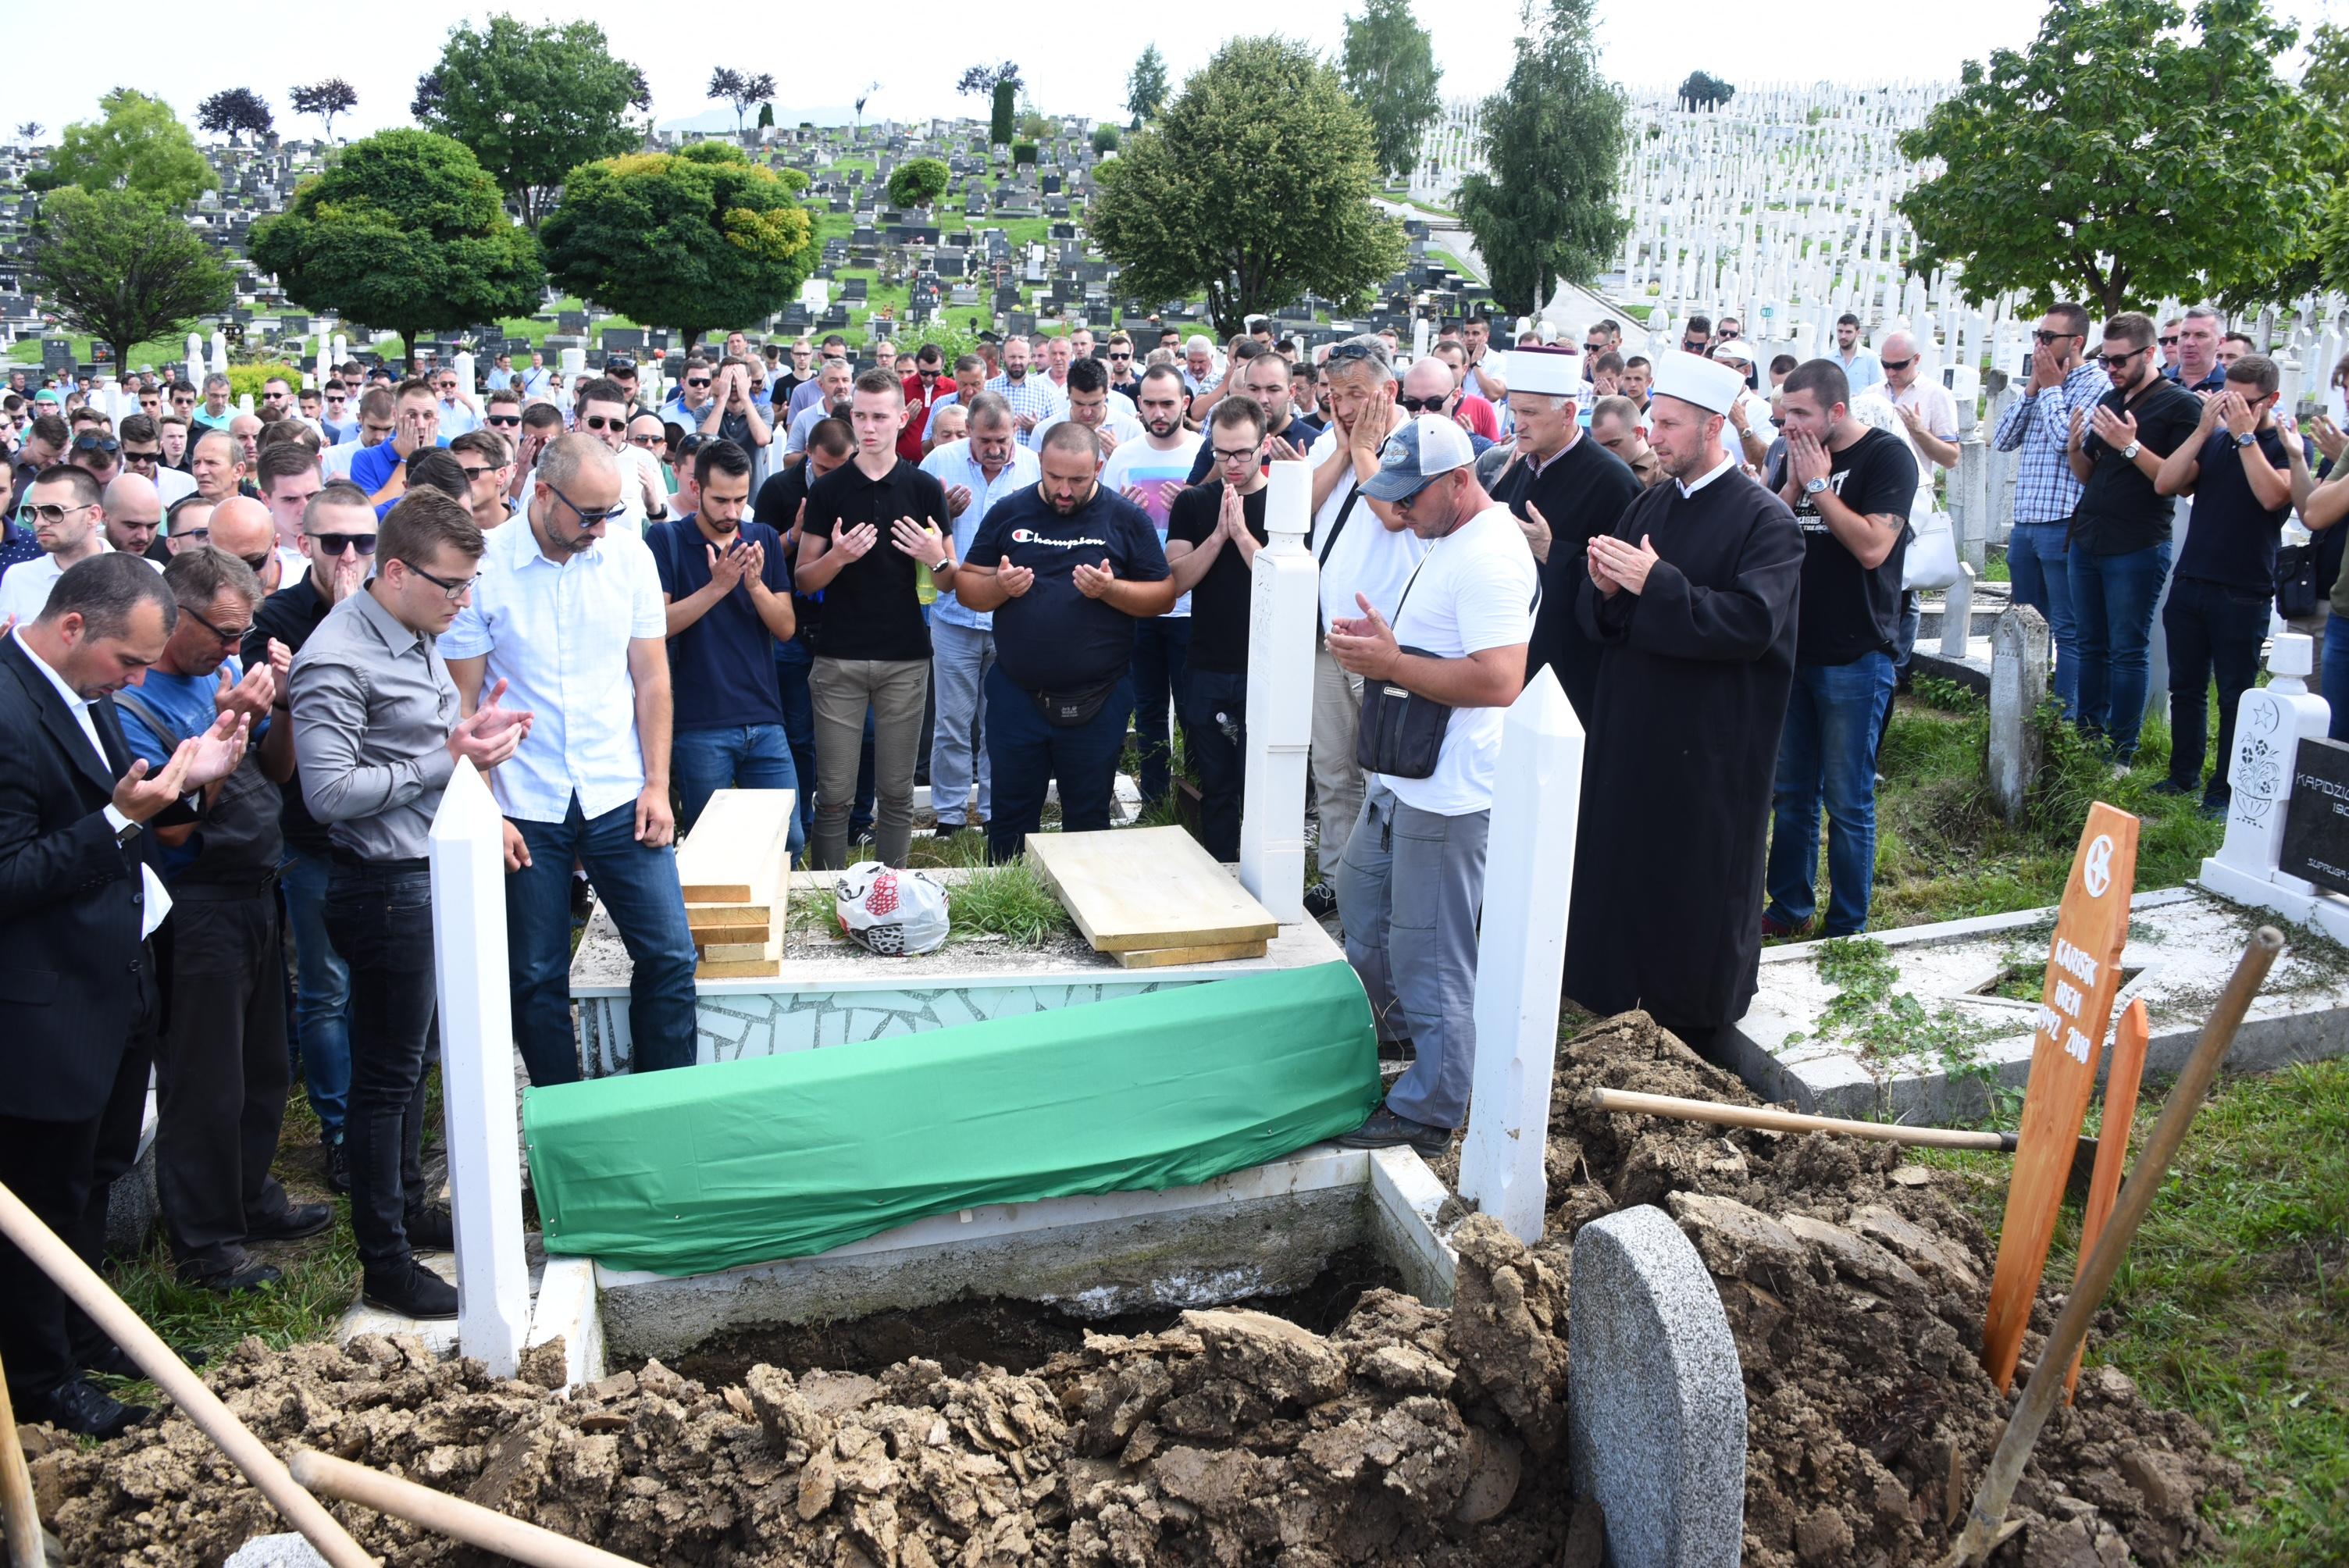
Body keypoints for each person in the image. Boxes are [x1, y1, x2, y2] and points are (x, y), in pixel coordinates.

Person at [1, 555, 249, 1436]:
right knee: (43, 1195)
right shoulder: (6, 708)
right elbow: (10, 871)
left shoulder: (84, 692)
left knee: (97, 1175)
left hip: (116, 974)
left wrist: (188, 774)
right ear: (73, 627)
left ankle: (82, 1326)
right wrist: (120, 820)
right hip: (44, 1002)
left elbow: (131, 801)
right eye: (129, 662)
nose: (139, 680)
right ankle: (40, 1379)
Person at [294, 489, 531, 1317]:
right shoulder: (335, 658)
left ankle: (406, 1201)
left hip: (426, 870)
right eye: (451, 585)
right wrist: (447, 759)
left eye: (469, 586)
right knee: (385, 1080)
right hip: (380, 887)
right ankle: (384, 1262)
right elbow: (326, 792)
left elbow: (433, 739)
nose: (462, 601)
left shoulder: (412, 629)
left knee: (416, 1064)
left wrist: (477, 777)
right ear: (395, 572)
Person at [1565, 351, 1805, 1065]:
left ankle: (1693, 1016)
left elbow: (1753, 624)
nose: (1654, 435)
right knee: (1627, 862)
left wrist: (1656, 582)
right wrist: (1608, 594)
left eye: (1668, 424)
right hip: (1635, 725)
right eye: (1653, 422)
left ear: (1710, 429)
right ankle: (1619, 1000)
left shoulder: (1767, 522)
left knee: (1695, 872)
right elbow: (1602, 616)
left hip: (1712, 741)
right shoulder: (1649, 504)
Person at [441, 437, 694, 1088]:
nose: (600, 528)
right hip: (524, 800)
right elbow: (464, 701)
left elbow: (652, 680)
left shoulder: (628, 557)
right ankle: (566, 1118)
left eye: (611, 511)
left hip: (617, 788)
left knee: (668, 953)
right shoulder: (485, 568)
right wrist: (488, 810)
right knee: (534, 975)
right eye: (589, 514)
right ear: (542, 494)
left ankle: (662, 1106)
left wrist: (658, 785)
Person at [115, 547, 328, 1292]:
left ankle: (249, 1196)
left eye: (242, 635)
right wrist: (221, 732)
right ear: (177, 615)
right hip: (196, 908)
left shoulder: (223, 675)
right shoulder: (133, 705)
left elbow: (275, 771)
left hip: (258, 890)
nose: (233, 650)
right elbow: (170, 830)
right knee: (205, 1080)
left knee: (264, 1066)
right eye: (223, 632)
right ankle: (204, 1244)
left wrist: (282, 710)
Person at [1324, 415, 1536, 1153]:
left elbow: (1501, 679)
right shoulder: (1453, 536)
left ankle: (1433, 1105)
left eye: (1412, 498)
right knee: (1360, 900)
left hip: (1449, 791)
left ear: (1459, 481)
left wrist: (1390, 666)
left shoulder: (1488, 559)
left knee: (1431, 950)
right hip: (1407, 777)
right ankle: (1406, 1040)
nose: (1401, 513)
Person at [935, 422, 1174, 864]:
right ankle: (1009, 915)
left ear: (1099, 468)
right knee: (1009, 819)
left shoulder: (1125, 518)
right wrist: (1001, 588)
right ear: (1039, 464)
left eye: (1078, 481)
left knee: (1087, 820)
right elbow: (967, 586)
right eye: (1054, 477)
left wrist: (1111, 590)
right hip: (1018, 697)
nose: (1064, 491)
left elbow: (1163, 595)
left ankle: (1085, 914)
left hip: (1098, 699)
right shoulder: (1010, 512)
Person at [244, 480, 375, 1193]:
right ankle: (338, 1130)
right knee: (325, 989)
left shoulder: (393, 605)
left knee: (382, 986)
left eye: (365, 541)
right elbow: (279, 751)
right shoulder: (278, 617)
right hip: (311, 832)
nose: (351, 555)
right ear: (306, 545)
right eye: (335, 543)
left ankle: (380, 1119)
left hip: (386, 830)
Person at [1760, 359, 1916, 939]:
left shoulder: (1885, 458)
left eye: (1801, 414)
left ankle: (1847, 924)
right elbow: (1766, 532)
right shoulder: (1789, 454)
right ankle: (1789, 907)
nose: (1788, 424)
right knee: (1791, 792)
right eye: (1784, 413)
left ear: (1837, 412)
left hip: (1856, 655)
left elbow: (1874, 548)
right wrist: (1796, 483)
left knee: (1847, 800)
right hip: (1794, 649)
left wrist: (1821, 488)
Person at [797, 370, 951, 868]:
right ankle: (825, 893)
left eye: (880, 416)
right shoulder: (829, 489)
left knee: (897, 791)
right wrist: (837, 557)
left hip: (905, 656)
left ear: (901, 418)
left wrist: (935, 555)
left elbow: (950, 582)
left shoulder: (925, 488)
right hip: (839, 654)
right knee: (836, 791)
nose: (868, 427)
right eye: (859, 415)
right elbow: (804, 580)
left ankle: (892, 890)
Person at [1306, 338, 1430, 919]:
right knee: (1331, 770)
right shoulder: (1328, 440)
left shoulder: (1418, 442)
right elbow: (1299, 509)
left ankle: (1380, 889)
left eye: (1357, 392)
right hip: (1328, 637)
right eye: (1335, 394)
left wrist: (1362, 452)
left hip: (1388, 640)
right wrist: (1339, 448)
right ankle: (1337, 877)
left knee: (1381, 773)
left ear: (1389, 390)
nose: (1346, 404)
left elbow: (1390, 512)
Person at [2153, 355, 2294, 814]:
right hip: (2192, 580)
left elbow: (2274, 496)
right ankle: (2182, 775)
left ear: (2270, 399)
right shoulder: (2214, 441)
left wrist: (2244, 436)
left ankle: (2225, 790)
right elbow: (2167, 483)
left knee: (2235, 697)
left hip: (2243, 590)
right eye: (2225, 400)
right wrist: (2201, 430)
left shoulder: (2284, 446)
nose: (2232, 411)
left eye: (2244, 403)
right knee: (2186, 688)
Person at [647, 438, 801, 849]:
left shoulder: (763, 538)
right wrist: (717, 588)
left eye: (740, 499)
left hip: (764, 716)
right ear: (696, 489)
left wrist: (753, 586)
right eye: (720, 500)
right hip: (699, 724)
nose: (732, 512)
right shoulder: (666, 542)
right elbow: (655, 626)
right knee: (708, 845)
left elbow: (786, 627)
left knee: (789, 839)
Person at [2066, 312, 2204, 765]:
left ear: (2149, 353)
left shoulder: (2181, 406)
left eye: (2119, 360)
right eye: (2104, 360)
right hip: (2089, 539)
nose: (2110, 369)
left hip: (2138, 545)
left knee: (2127, 649)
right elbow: (2088, 473)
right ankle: (2086, 740)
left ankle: (2120, 752)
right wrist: (2073, 448)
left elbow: (2180, 483)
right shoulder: (2111, 396)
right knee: (2091, 645)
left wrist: (2129, 444)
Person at [1492, 347, 1638, 722]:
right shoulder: (1522, 462)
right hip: (1508, 651)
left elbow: (1620, 592)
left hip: (1569, 667)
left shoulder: (1612, 481)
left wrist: (1551, 551)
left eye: (1530, 413)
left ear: (1568, 413)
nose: (1517, 424)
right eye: (1514, 412)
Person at [920, 394, 1039, 838]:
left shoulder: (1031, 467)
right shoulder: (939, 463)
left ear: (1015, 434)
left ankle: (992, 811)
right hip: (953, 614)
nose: (995, 449)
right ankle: (950, 814)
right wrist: (941, 515)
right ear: (968, 430)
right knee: (952, 720)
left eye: (1003, 440)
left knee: (1000, 721)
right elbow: (912, 527)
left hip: (1011, 616)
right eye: (986, 440)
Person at [1165, 397, 1275, 861]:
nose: (1231, 464)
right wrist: (1217, 537)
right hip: (1209, 660)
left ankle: (1261, 870)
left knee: (1261, 780)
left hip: (1263, 662)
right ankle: (1220, 868)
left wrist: (1244, 537)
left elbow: (1285, 582)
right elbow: (1177, 580)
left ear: (1264, 446)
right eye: (1221, 453)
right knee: (1215, 779)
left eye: (1242, 453)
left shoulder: (1283, 503)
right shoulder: (1194, 502)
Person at [1994, 303, 2106, 717]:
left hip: (2063, 520)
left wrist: (2053, 387)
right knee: (2026, 621)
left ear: (2076, 342)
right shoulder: (2039, 384)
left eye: (2047, 338)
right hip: (2026, 521)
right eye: (2037, 336)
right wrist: (2032, 390)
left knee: (2066, 628)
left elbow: (2067, 440)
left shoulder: (2094, 384)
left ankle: (2061, 717)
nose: (2038, 345)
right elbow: (2003, 439)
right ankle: (2022, 708)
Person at [1100, 365, 1203, 809]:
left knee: (1196, 710)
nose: (1159, 413)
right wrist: (1123, 512)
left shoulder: (1205, 454)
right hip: (1139, 605)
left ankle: (1199, 798)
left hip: (1193, 607)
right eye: (1150, 403)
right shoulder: (1122, 456)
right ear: (1138, 404)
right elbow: (1101, 527)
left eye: (1167, 403)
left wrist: (1190, 506)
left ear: (1184, 403)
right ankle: (1155, 800)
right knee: (1148, 709)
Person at [0, 465, 111, 624]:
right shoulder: (17, 578)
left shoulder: (140, 574)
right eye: (31, 511)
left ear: (93, 515)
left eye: (53, 511)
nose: (38, 522)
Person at [989, 336, 1066, 451]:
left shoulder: (1044, 393)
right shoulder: (988, 388)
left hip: (1031, 464)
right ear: (1003, 356)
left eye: (1021, 357)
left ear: (1030, 358)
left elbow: (1057, 436)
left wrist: (1036, 428)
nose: (1017, 362)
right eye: (1012, 357)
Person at [1591, 395, 1665, 486]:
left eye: (1614, 444)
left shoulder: (1662, 476)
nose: (1606, 452)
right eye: (1598, 447)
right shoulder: (1596, 470)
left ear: (1638, 433)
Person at [2165, 306, 2226, 393]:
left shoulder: (2232, 388)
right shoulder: (2156, 383)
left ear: (2220, 343)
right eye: (2184, 334)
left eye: (2200, 335)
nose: (2189, 343)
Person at [1831, 313, 1884, 395]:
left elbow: (1878, 389)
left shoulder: (1871, 358)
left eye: (1848, 332)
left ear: (1858, 332)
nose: (1843, 336)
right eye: (1840, 331)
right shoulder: (1827, 359)